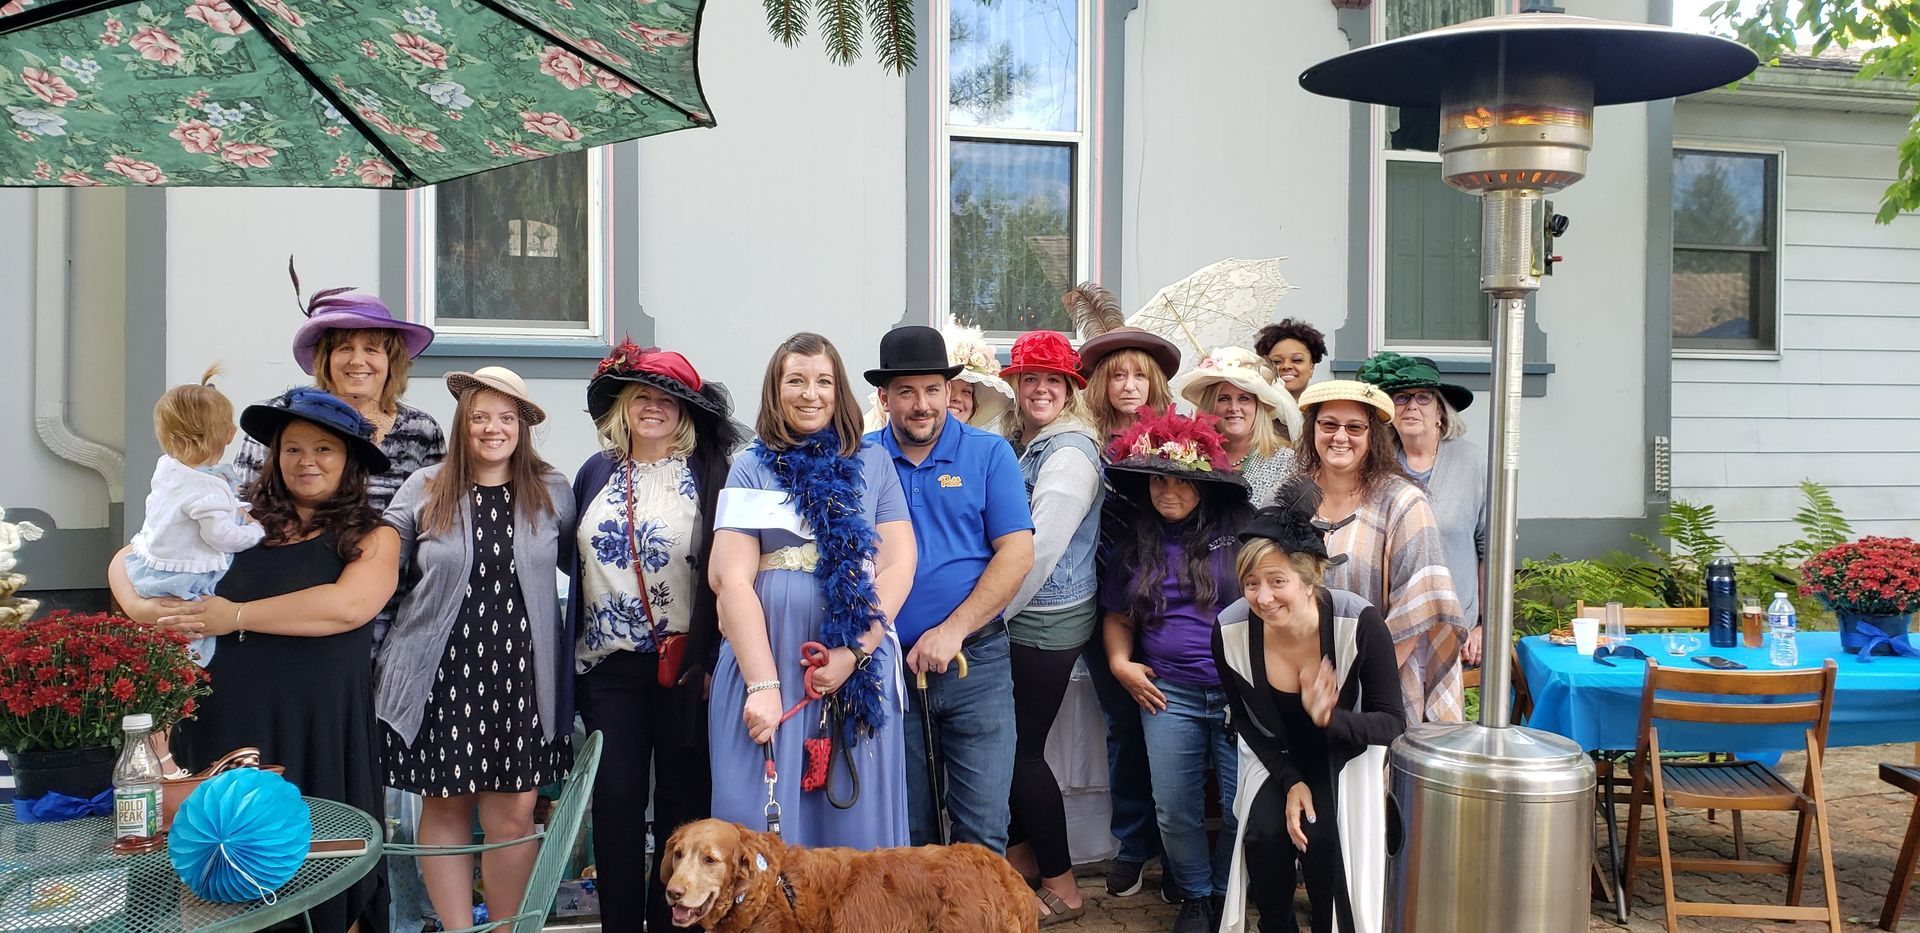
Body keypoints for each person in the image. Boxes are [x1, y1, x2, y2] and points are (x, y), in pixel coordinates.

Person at [109, 387, 401, 933]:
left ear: (350, 462)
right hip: (220, 727)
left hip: (317, 730)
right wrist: (142, 607)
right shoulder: (233, 519)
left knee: (324, 875)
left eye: (324, 449)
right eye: (293, 449)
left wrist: (234, 615)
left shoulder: (372, 536)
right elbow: (130, 557)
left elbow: (348, 606)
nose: (307, 461)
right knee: (213, 877)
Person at [228, 272, 443, 933]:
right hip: (285, 633)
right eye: (344, 346)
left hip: (388, 631)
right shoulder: (282, 420)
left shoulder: (421, 432)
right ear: (324, 357)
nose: (358, 360)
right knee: (294, 786)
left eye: (373, 347)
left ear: (392, 358)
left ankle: (389, 917)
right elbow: (235, 519)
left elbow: (435, 539)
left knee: (373, 794)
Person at [376, 367, 574, 930]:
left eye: (506, 418)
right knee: (446, 805)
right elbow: (378, 566)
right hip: (439, 673)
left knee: (514, 812)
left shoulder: (552, 490)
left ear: (522, 427)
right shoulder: (426, 486)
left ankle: (508, 929)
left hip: (522, 676)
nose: (493, 428)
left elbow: (585, 566)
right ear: (463, 423)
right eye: (480, 417)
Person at [709, 332, 918, 848]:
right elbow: (730, 578)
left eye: (823, 381)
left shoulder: (874, 463)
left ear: (838, 391)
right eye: (796, 381)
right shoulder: (751, 466)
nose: (810, 394)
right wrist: (763, 685)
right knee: (757, 820)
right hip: (768, 657)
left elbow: (898, 564)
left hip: (854, 657)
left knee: (853, 826)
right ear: (775, 390)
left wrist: (854, 653)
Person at [565, 341, 742, 932]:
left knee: (682, 806)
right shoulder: (595, 472)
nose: (654, 407)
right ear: (623, 406)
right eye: (642, 395)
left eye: (668, 399)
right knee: (616, 802)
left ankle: (672, 924)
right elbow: (573, 557)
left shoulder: (709, 474)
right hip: (607, 667)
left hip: (686, 666)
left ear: (685, 412)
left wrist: (715, 657)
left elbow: (729, 568)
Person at [866, 324, 1035, 852]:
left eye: (932, 390)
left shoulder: (989, 454)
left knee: (981, 833)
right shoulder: (860, 460)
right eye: (906, 391)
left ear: (949, 391)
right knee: (907, 836)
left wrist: (953, 630)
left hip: (974, 664)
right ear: (884, 398)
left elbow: (1017, 553)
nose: (922, 405)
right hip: (886, 666)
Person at [1214, 480, 1407, 933]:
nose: (1263, 598)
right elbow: (1244, 719)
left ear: (1309, 578)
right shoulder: (1230, 631)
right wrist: (1291, 780)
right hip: (1275, 759)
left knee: (1324, 844)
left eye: (1277, 581)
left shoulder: (1358, 623)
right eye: (1251, 583)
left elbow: (1392, 723)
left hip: (1344, 757)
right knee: (1264, 837)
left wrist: (1330, 719)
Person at [1100, 407, 1252, 933]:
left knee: (1239, 806)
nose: (1169, 491)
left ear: (1203, 483)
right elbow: (1118, 616)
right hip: (1167, 694)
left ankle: (1225, 890)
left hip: (1239, 692)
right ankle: (1195, 897)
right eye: (1158, 480)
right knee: (1173, 807)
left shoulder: (1241, 531)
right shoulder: (1134, 543)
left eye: (1182, 480)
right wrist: (1119, 663)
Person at [1063, 282, 1184, 896]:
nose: (1129, 385)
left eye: (1140, 375)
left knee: (1173, 721)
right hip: (1103, 599)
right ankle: (1134, 844)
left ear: (1154, 383)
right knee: (1123, 724)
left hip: (1170, 603)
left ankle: (1179, 850)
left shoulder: (1179, 441)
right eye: (1118, 375)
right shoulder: (1083, 442)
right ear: (1102, 383)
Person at [995, 330, 1103, 925]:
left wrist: (985, 619)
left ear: (1069, 389)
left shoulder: (1068, 454)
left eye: (1052, 380)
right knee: (1009, 747)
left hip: (1043, 620)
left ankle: (1064, 887)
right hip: (1027, 616)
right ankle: (1021, 862)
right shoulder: (1026, 442)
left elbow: (1038, 554)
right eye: (1029, 378)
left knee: (1019, 753)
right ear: (1015, 385)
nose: (1040, 389)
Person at [1295, 380, 1467, 726]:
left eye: (1354, 427)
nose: (1340, 436)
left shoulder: (1403, 503)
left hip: (1382, 688)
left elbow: (1416, 609)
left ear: (1372, 435)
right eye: (1328, 424)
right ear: (1312, 430)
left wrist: (1360, 684)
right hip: (1300, 680)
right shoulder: (1291, 496)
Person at [125, 365, 265, 673]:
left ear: (163, 435)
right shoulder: (207, 490)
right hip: (185, 575)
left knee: (165, 631)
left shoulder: (168, 467)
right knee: (190, 630)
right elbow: (221, 537)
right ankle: (181, 673)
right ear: (230, 434)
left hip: (152, 563)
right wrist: (254, 531)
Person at [1357, 353, 1489, 667]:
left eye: (1423, 397)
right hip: (1390, 624)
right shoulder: (1376, 465)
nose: (1412, 406)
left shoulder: (1473, 462)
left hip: (1454, 624)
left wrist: (1486, 625)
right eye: (1401, 398)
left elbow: (1491, 551)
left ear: (1440, 411)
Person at [1172, 346, 1301, 505]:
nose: (1233, 408)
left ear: (1258, 407)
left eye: (1244, 399)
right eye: (1223, 398)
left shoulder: (1286, 463)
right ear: (1210, 407)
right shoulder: (1188, 456)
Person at [1255, 318, 1327, 398]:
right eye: (1277, 361)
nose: (1286, 366)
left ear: (1311, 368)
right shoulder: (1251, 404)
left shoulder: (1326, 404)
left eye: (1297, 360)